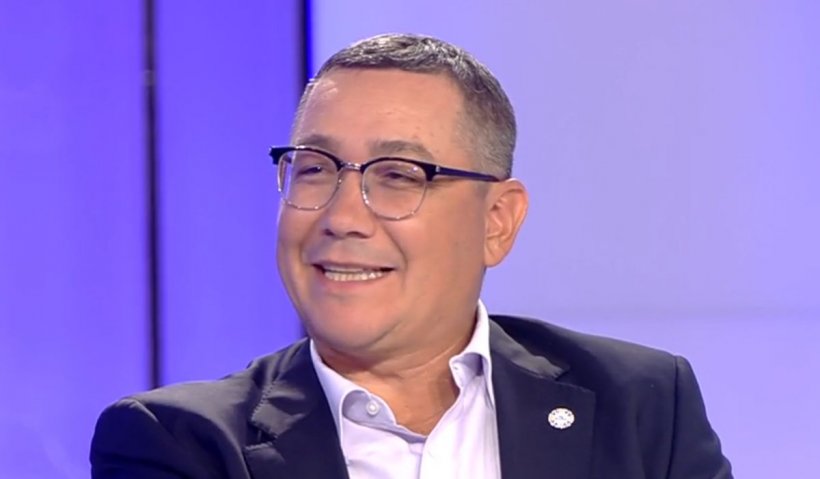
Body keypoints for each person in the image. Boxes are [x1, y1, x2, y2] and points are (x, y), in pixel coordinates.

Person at [90, 33, 732, 478]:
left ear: (497, 222)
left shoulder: (638, 404)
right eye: (314, 169)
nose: (342, 217)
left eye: (398, 175)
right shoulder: (180, 442)